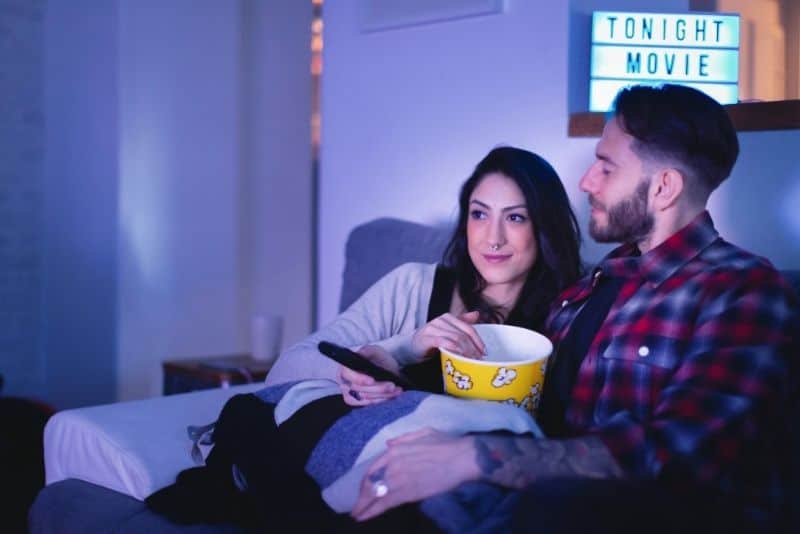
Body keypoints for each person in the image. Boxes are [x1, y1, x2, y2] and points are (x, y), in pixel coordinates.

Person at [350, 84, 799, 532]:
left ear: (664, 187)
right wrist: (403, 370)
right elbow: (522, 414)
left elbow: (674, 453)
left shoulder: (743, 290)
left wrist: (476, 458)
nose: (586, 182)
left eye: (605, 167)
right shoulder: (584, 290)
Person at [147, 146, 583, 531]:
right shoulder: (414, 285)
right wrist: (399, 350)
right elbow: (285, 372)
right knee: (251, 418)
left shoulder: (569, 315)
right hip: (360, 465)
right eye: (479, 213)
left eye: (516, 217)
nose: (493, 237)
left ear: (542, 227)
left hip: (449, 488)